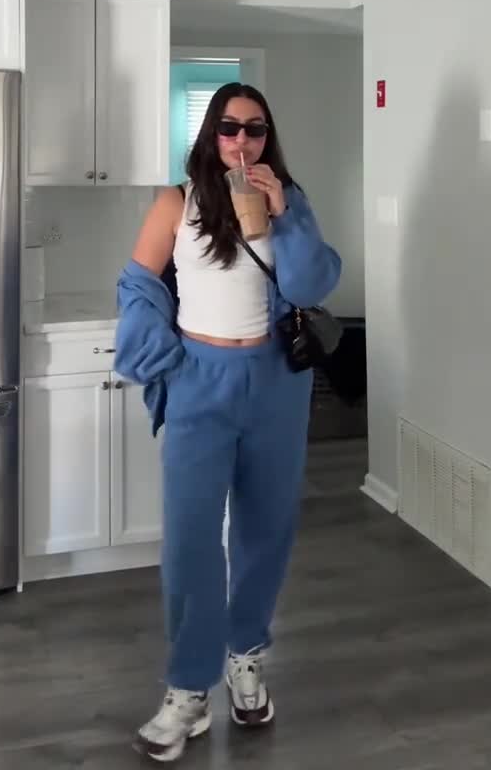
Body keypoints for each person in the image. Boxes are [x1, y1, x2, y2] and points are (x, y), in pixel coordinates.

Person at [116, 83, 341, 762]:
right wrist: (164, 359)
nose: (242, 141)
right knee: (190, 537)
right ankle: (189, 688)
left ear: (268, 137)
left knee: (266, 529)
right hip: (200, 381)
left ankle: (247, 658)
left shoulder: (288, 199)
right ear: (210, 134)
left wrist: (283, 215)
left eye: (255, 129)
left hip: (276, 385)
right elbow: (137, 284)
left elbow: (310, 286)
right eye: (229, 128)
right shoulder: (176, 202)